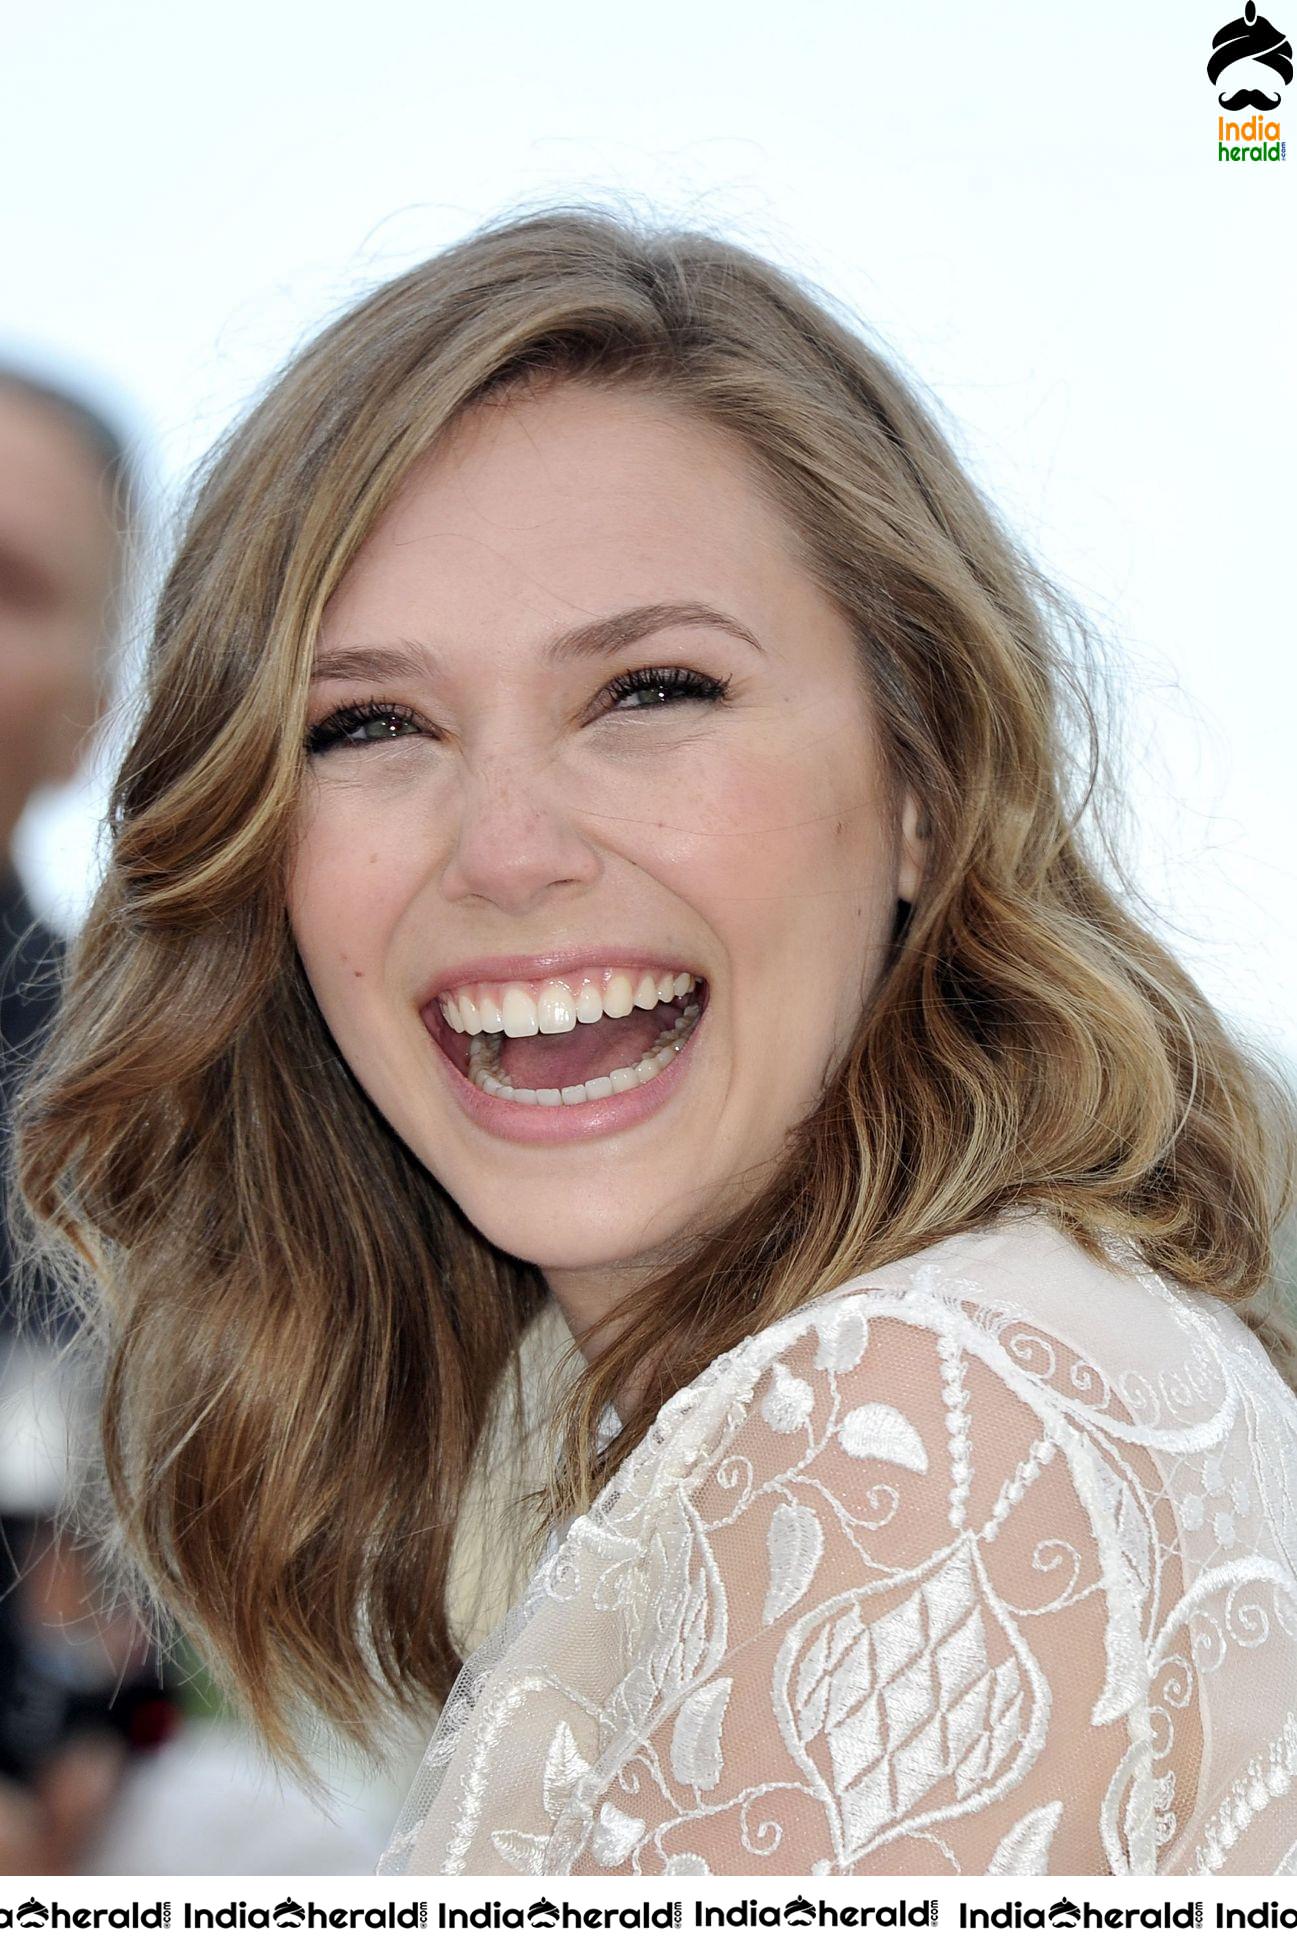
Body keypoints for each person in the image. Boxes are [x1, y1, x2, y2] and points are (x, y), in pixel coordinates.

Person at [9, 203, 1297, 1877]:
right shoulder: (812, 1408)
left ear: (923, 782)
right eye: (372, 722)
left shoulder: (928, 1421)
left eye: (652, 690)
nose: (506, 847)